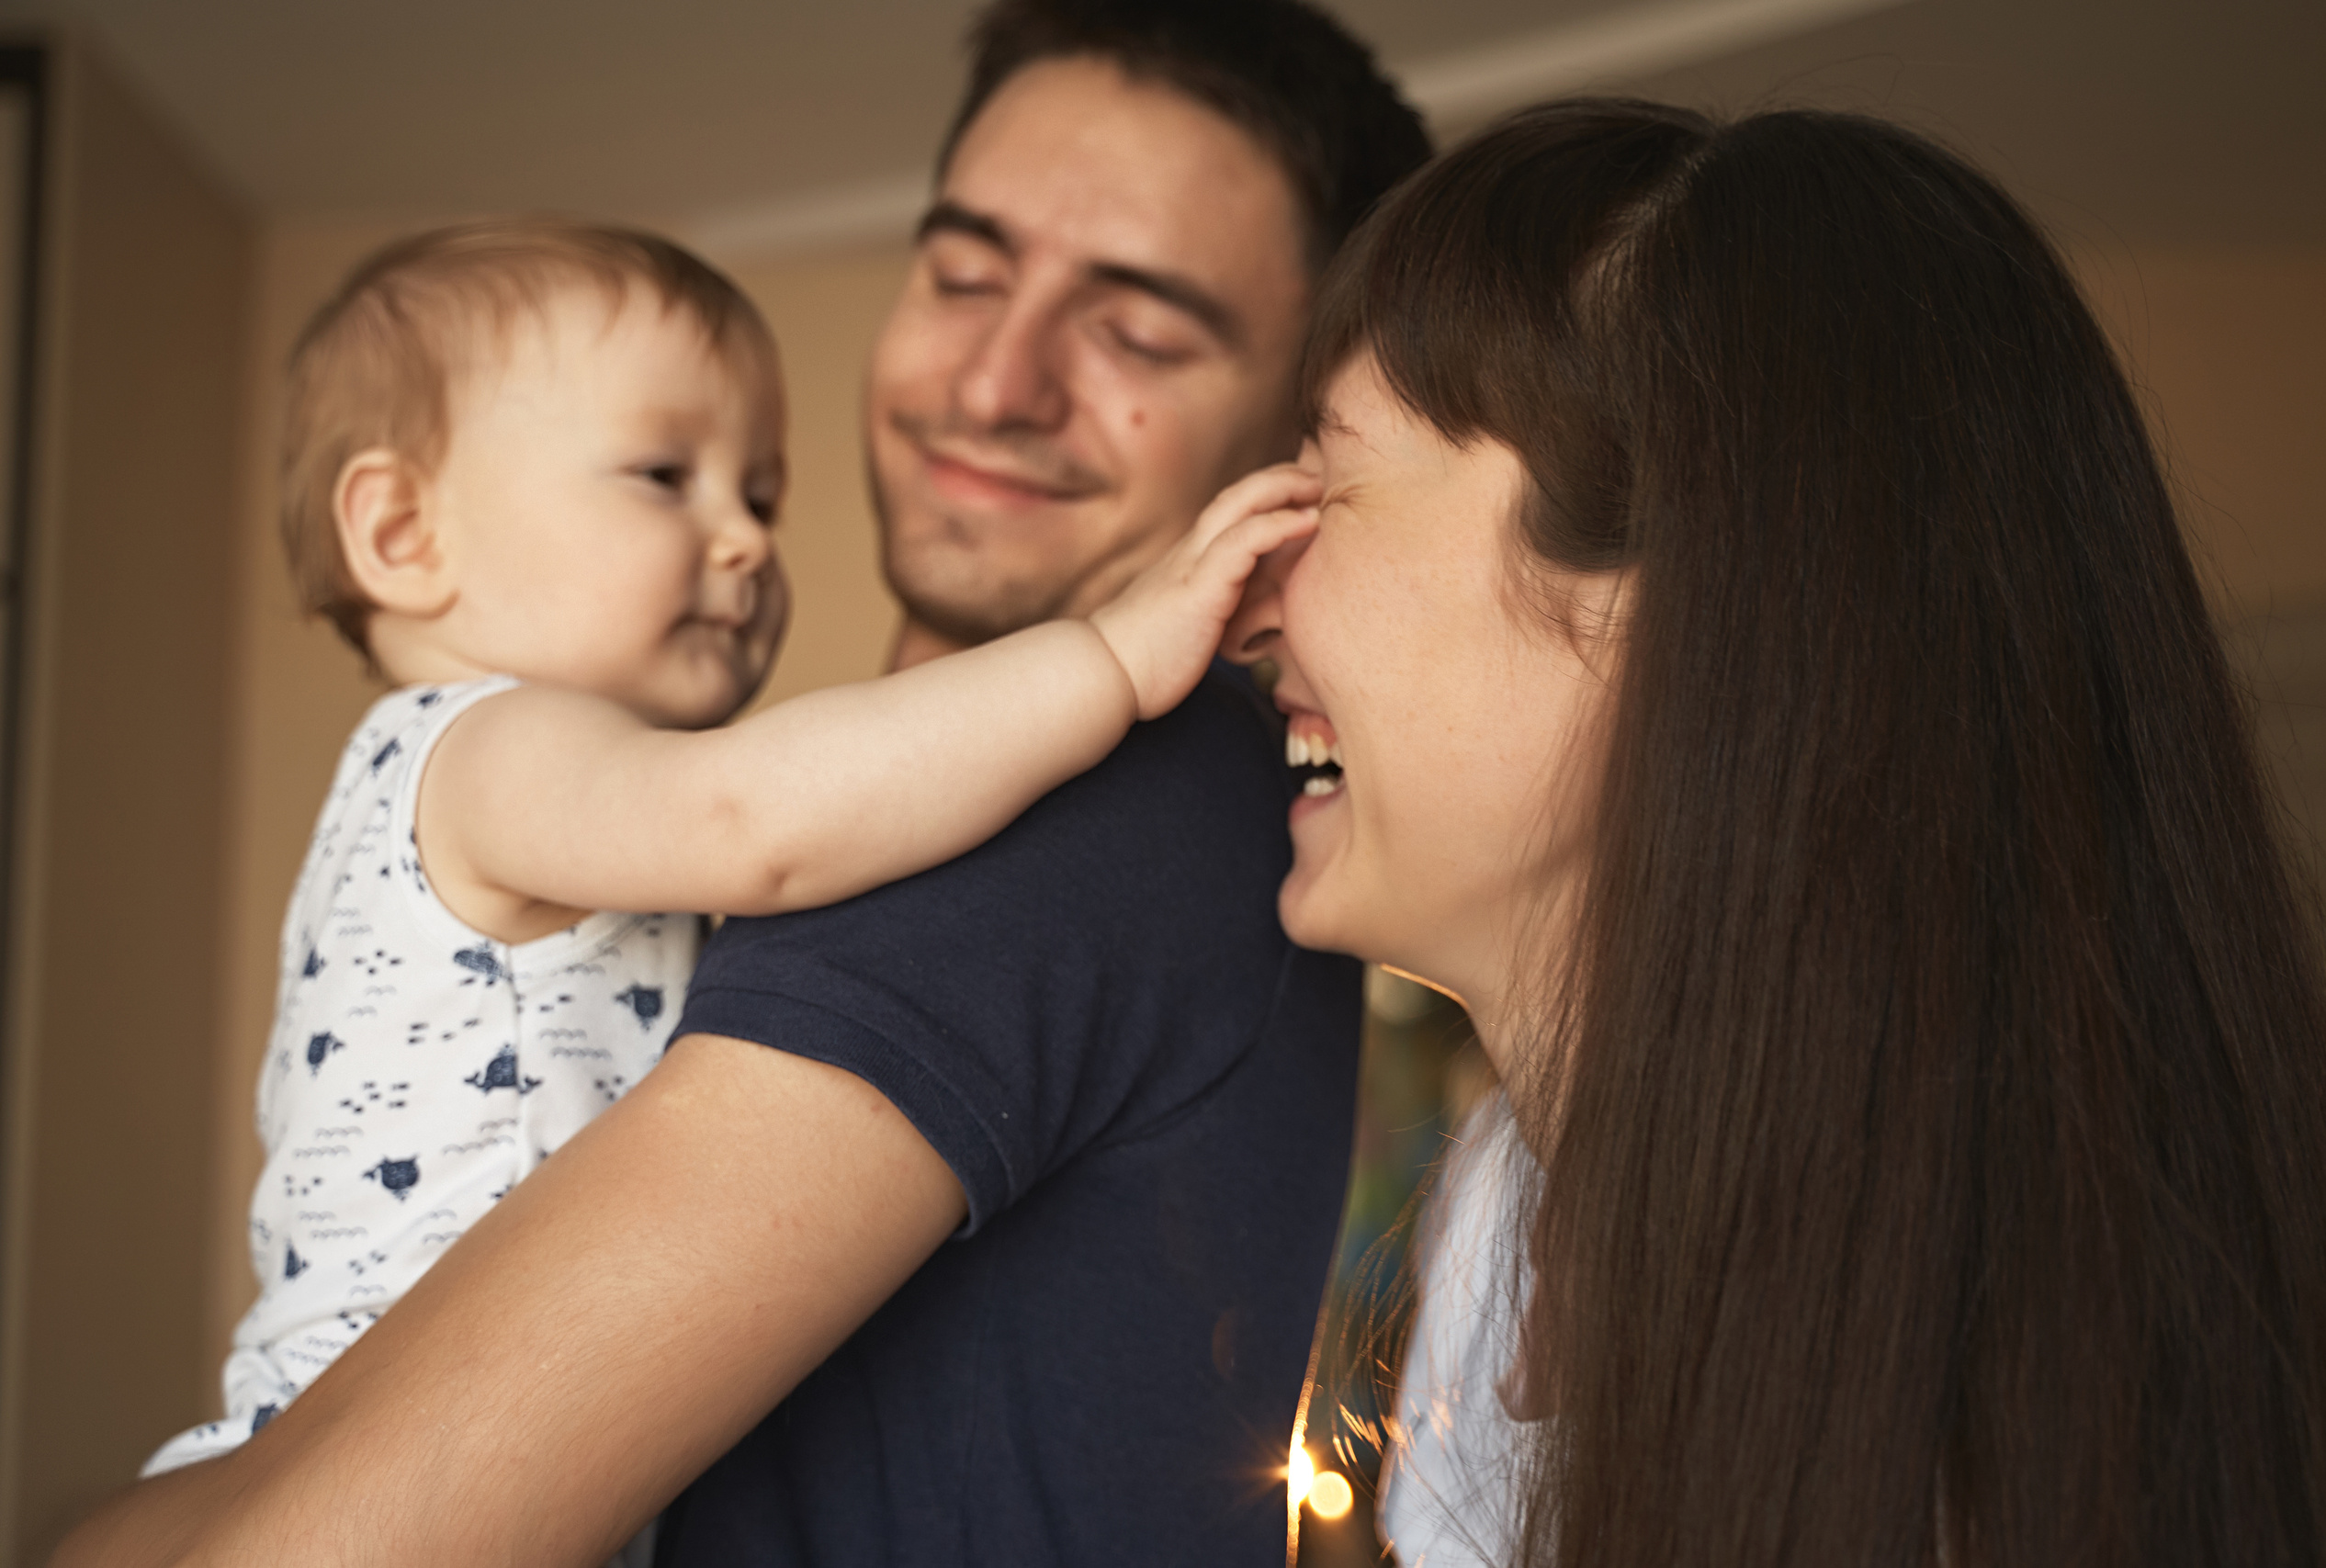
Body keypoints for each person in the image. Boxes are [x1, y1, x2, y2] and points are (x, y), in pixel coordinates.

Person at [52, 3, 1429, 1565]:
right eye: (967, 272)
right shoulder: (632, 782)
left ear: (1292, 429)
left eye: (1137, 329)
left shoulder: (1121, 791)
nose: (997, 380)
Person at [1217, 98, 2326, 1565]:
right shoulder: (1499, 1217)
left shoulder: (2012, 1392)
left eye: (1333, 485)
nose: (1247, 592)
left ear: (1669, 601)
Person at [137, 214, 1314, 1489]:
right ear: (404, 533)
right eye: (663, 476)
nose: (748, 540)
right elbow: (754, 824)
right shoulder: (483, 751)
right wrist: (1110, 661)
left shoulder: (530, 789)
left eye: (760, 494)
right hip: (379, 1466)